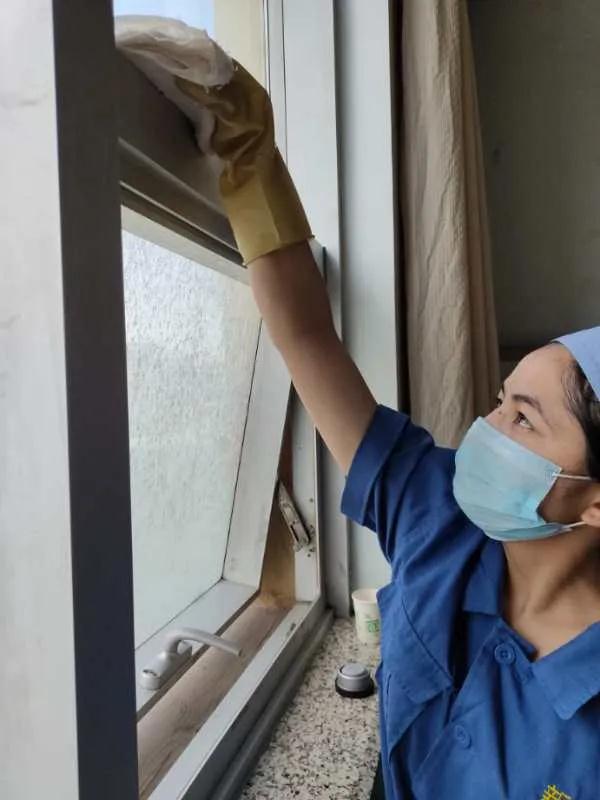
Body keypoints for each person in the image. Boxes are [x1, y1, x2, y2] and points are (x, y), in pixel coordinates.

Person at [177, 58, 600, 799]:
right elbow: (307, 337)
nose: (485, 429)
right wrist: (247, 158)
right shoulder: (438, 514)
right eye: (500, 401)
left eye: (524, 419)